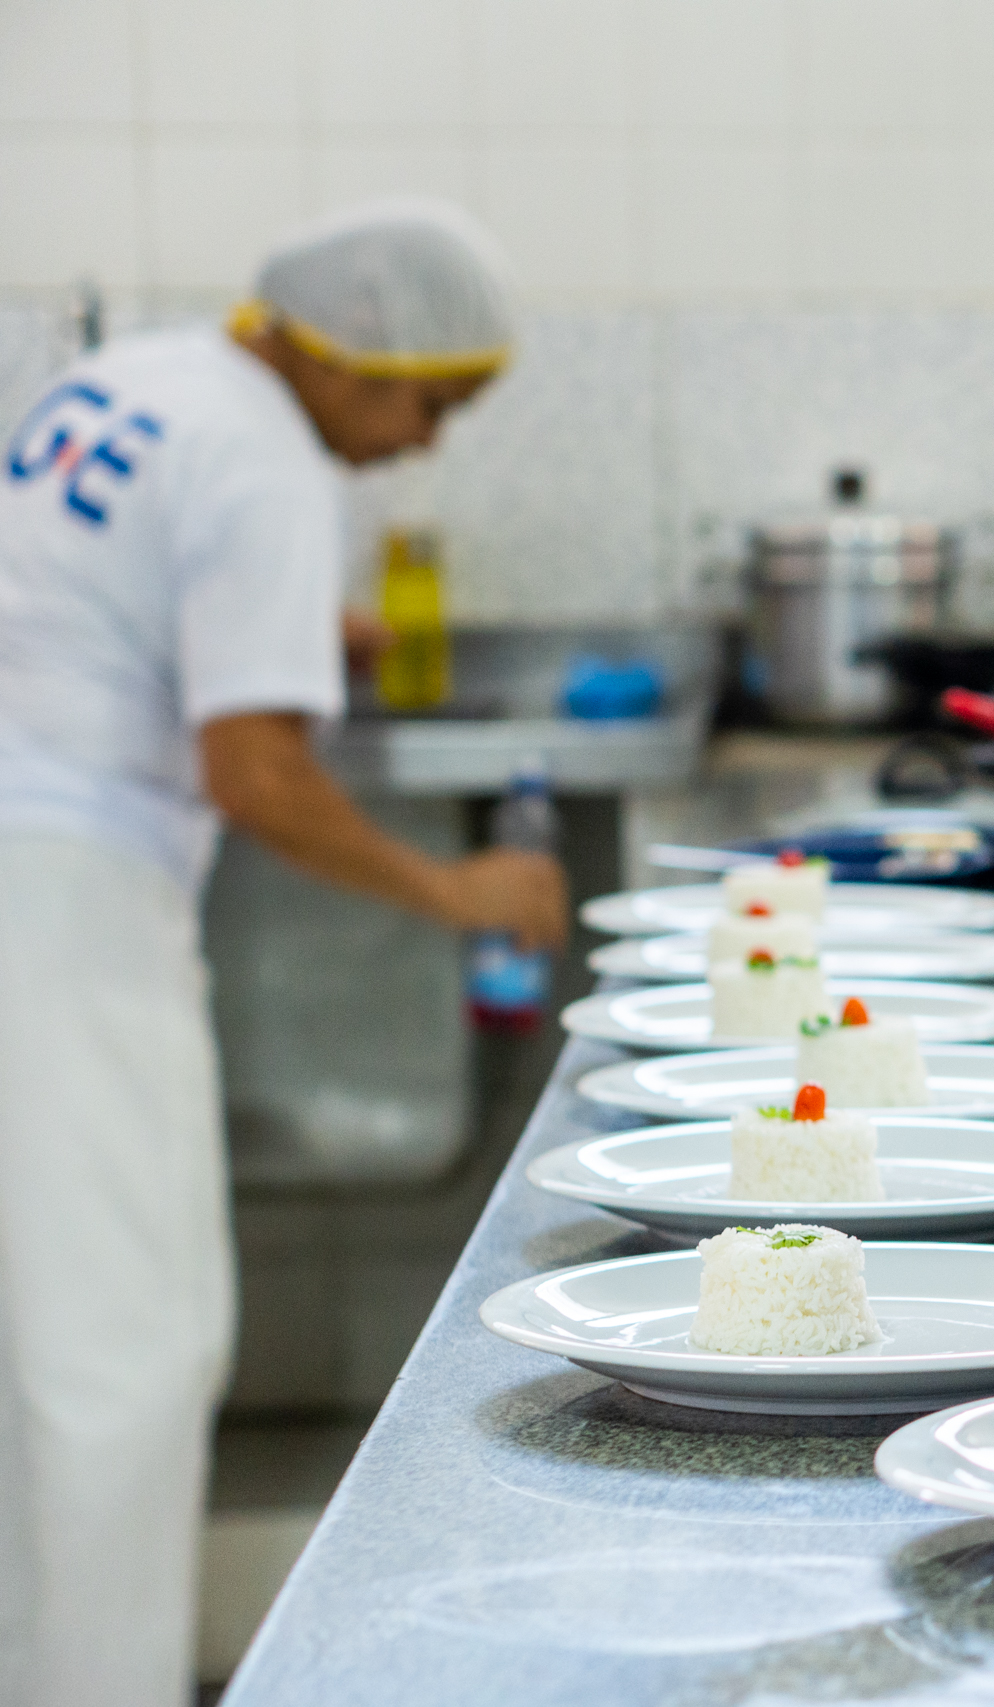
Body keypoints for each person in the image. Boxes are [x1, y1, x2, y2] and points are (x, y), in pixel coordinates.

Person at [0, 199, 566, 1706]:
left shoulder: (145, 384)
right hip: (58, 907)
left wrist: (286, 626)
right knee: (123, 1350)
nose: (426, 441)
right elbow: (254, 775)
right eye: (429, 401)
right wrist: (453, 891)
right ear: (345, 358)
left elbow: (88, 606)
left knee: (37, 1352)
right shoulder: (262, 455)